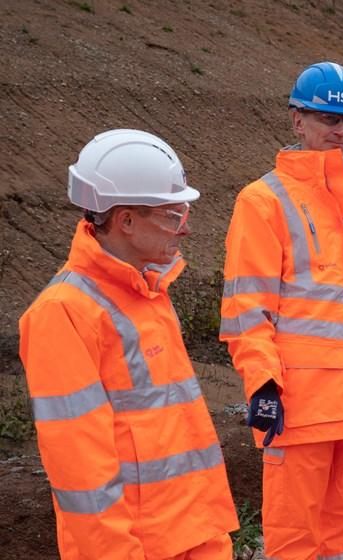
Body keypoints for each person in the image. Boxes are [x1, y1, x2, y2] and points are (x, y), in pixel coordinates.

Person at [220, 61, 343, 559]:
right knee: (294, 536)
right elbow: (248, 308)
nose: (340, 131)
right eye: (328, 119)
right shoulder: (263, 200)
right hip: (304, 405)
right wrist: (263, 384)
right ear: (297, 121)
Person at [18, 129, 238, 559]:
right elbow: (82, 473)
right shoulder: (64, 314)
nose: (185, 228)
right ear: (126, 221)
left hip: (196, 532)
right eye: (172, 215)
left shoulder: (147, 292)